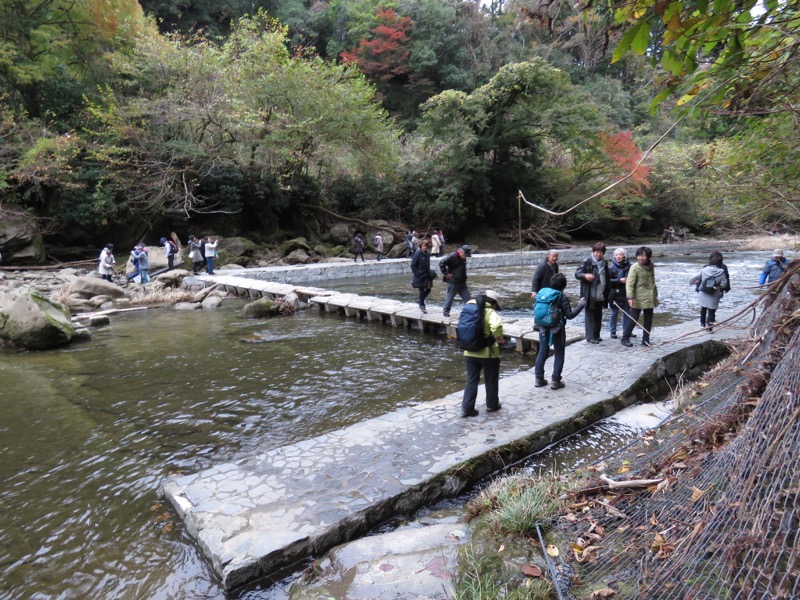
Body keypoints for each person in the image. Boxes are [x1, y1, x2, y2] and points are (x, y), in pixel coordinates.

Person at [534, 273, 586, 390]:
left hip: (542, 326)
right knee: (559, 353)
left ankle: (539, 379)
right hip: (557, 329)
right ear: (564, 286)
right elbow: (570, 315)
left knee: (542, 351)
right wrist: (581, 305)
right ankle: (556, 380)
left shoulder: (543, 293)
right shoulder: (561, 297)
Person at [461, 290, 506, 417]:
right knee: (491, 379)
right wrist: (499, 338)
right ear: (493, 303)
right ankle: (492, 405)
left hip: (469, 350)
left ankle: (467, 408)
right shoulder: (490, 312)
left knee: (471, 379)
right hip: (488, 353)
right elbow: (496, 325)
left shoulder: (469, 308)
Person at [621, 246, 659, 347]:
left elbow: (652, 281)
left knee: (648, 318)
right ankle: (625, 338)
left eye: (643, 256)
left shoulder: (651, 266)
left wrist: (655, 293)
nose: (641, 258)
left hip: (650, 296)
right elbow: (629, 283)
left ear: (648, 257)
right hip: (637, 297)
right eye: (639, 256)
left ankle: (645, 339)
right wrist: (630, 297)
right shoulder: (635, 267)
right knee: (634, 318)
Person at [575, 242, 610, 344]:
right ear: (593, 252)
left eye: (601, 253)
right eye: (596, 252)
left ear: (603, 253)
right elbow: (577, 274)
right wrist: (585, 275)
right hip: (589, 293)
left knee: (598, 315)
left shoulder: (604, 263)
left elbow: (607, 277)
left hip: (600, 292)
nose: (598, 254)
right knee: (590, 315)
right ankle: (590, 337)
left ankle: (596, 335)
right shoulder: (586, 261)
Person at [690, 250, 730, 332]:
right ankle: (710, 327)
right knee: (712, 310)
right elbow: (724, 284)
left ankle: (702, 324)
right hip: (714, 293)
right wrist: (721, 288)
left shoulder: (705, 268)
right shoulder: (722, 271)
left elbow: (694, 278)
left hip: (703, 291)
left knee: (703, 308)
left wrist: (693, 284)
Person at [440, 245, 472, 317]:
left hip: (462, 282)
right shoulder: (453, 256)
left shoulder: (463, 258)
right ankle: (446, 312)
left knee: (468, 299)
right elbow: (441, 263)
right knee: (450, 298)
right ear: (461, 252)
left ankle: (471, 312)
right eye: (465, 255)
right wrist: (446, 273)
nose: (466, 257)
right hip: (453, 282)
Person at [608, 248, 633, 339]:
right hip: (614, 293)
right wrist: (619, 280)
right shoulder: (610, 268)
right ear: (614, 256)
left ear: (624, 256)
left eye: (620, 254)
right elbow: (608, 281)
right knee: (614, 313)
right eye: (617, 255)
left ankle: (626, 331)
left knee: (627, 312)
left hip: (626, 292)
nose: (618, 256)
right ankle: (612, 331)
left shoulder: (630, 266)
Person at [410, 240, 433, 313]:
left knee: (429, 289)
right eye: (423, 246)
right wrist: (417, 273)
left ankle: (420, 300)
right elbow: (413, 265)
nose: (425, 247)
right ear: (421, 246)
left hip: (427, 275)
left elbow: (427, 265)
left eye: (426, 246)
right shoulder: (417, 254)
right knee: (422, 290)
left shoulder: (428, 254)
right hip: (420, 275)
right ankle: (422, 306)